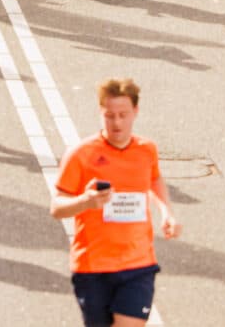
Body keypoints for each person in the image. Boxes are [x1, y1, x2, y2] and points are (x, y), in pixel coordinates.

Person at [51, 77, 180, 327]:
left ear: (136, 112)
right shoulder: (81, 154)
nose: (117, 122)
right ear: (101, 113)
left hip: (138, 263)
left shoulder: (146, 150)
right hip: (93, 267)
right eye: (110, 115)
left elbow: (153, 180)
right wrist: (85, 202)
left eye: (123, 114)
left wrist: (167, 212)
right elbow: (56, 207)